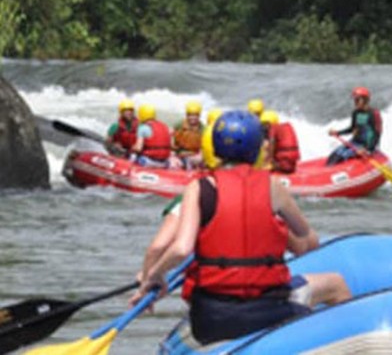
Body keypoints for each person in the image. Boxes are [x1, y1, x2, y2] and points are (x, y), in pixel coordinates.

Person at [130, 110, 351, 344]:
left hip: (209, 320)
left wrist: (151, 277)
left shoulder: (199, 188)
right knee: (335, 284)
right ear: (256, 148)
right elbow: (308, 242)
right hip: (267, 311)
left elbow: (181, 249)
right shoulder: (272, 186)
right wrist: (278, 233)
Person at [326, 87, 382, 166]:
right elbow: (352, 129)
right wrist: (337, 132)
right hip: (355, 143)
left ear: (365, 100)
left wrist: (367, 149)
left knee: (342, 157)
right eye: (355, 100)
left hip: (368, 146)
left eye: (357, 100)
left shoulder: (373, 114)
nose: (355, 102)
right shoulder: (356, 113)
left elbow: (377, 135)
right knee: (334, 156)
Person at [131, 104, 173, 168]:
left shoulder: (143, 128)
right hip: (164, 162)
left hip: (149, 162)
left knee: (133, 156)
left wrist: (132, 148)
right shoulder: (164, 126)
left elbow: (138, 148)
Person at [172, 101, 205, 169]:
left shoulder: (202, 128)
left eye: (195, 115)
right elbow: (171, 136)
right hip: (180, 154)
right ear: (187, 115)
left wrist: (200, 155)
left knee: (199, 160)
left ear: (199, 116)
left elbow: (204, 145)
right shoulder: (180, 124)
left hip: (194, 155)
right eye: (190, 115)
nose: (192, 118)